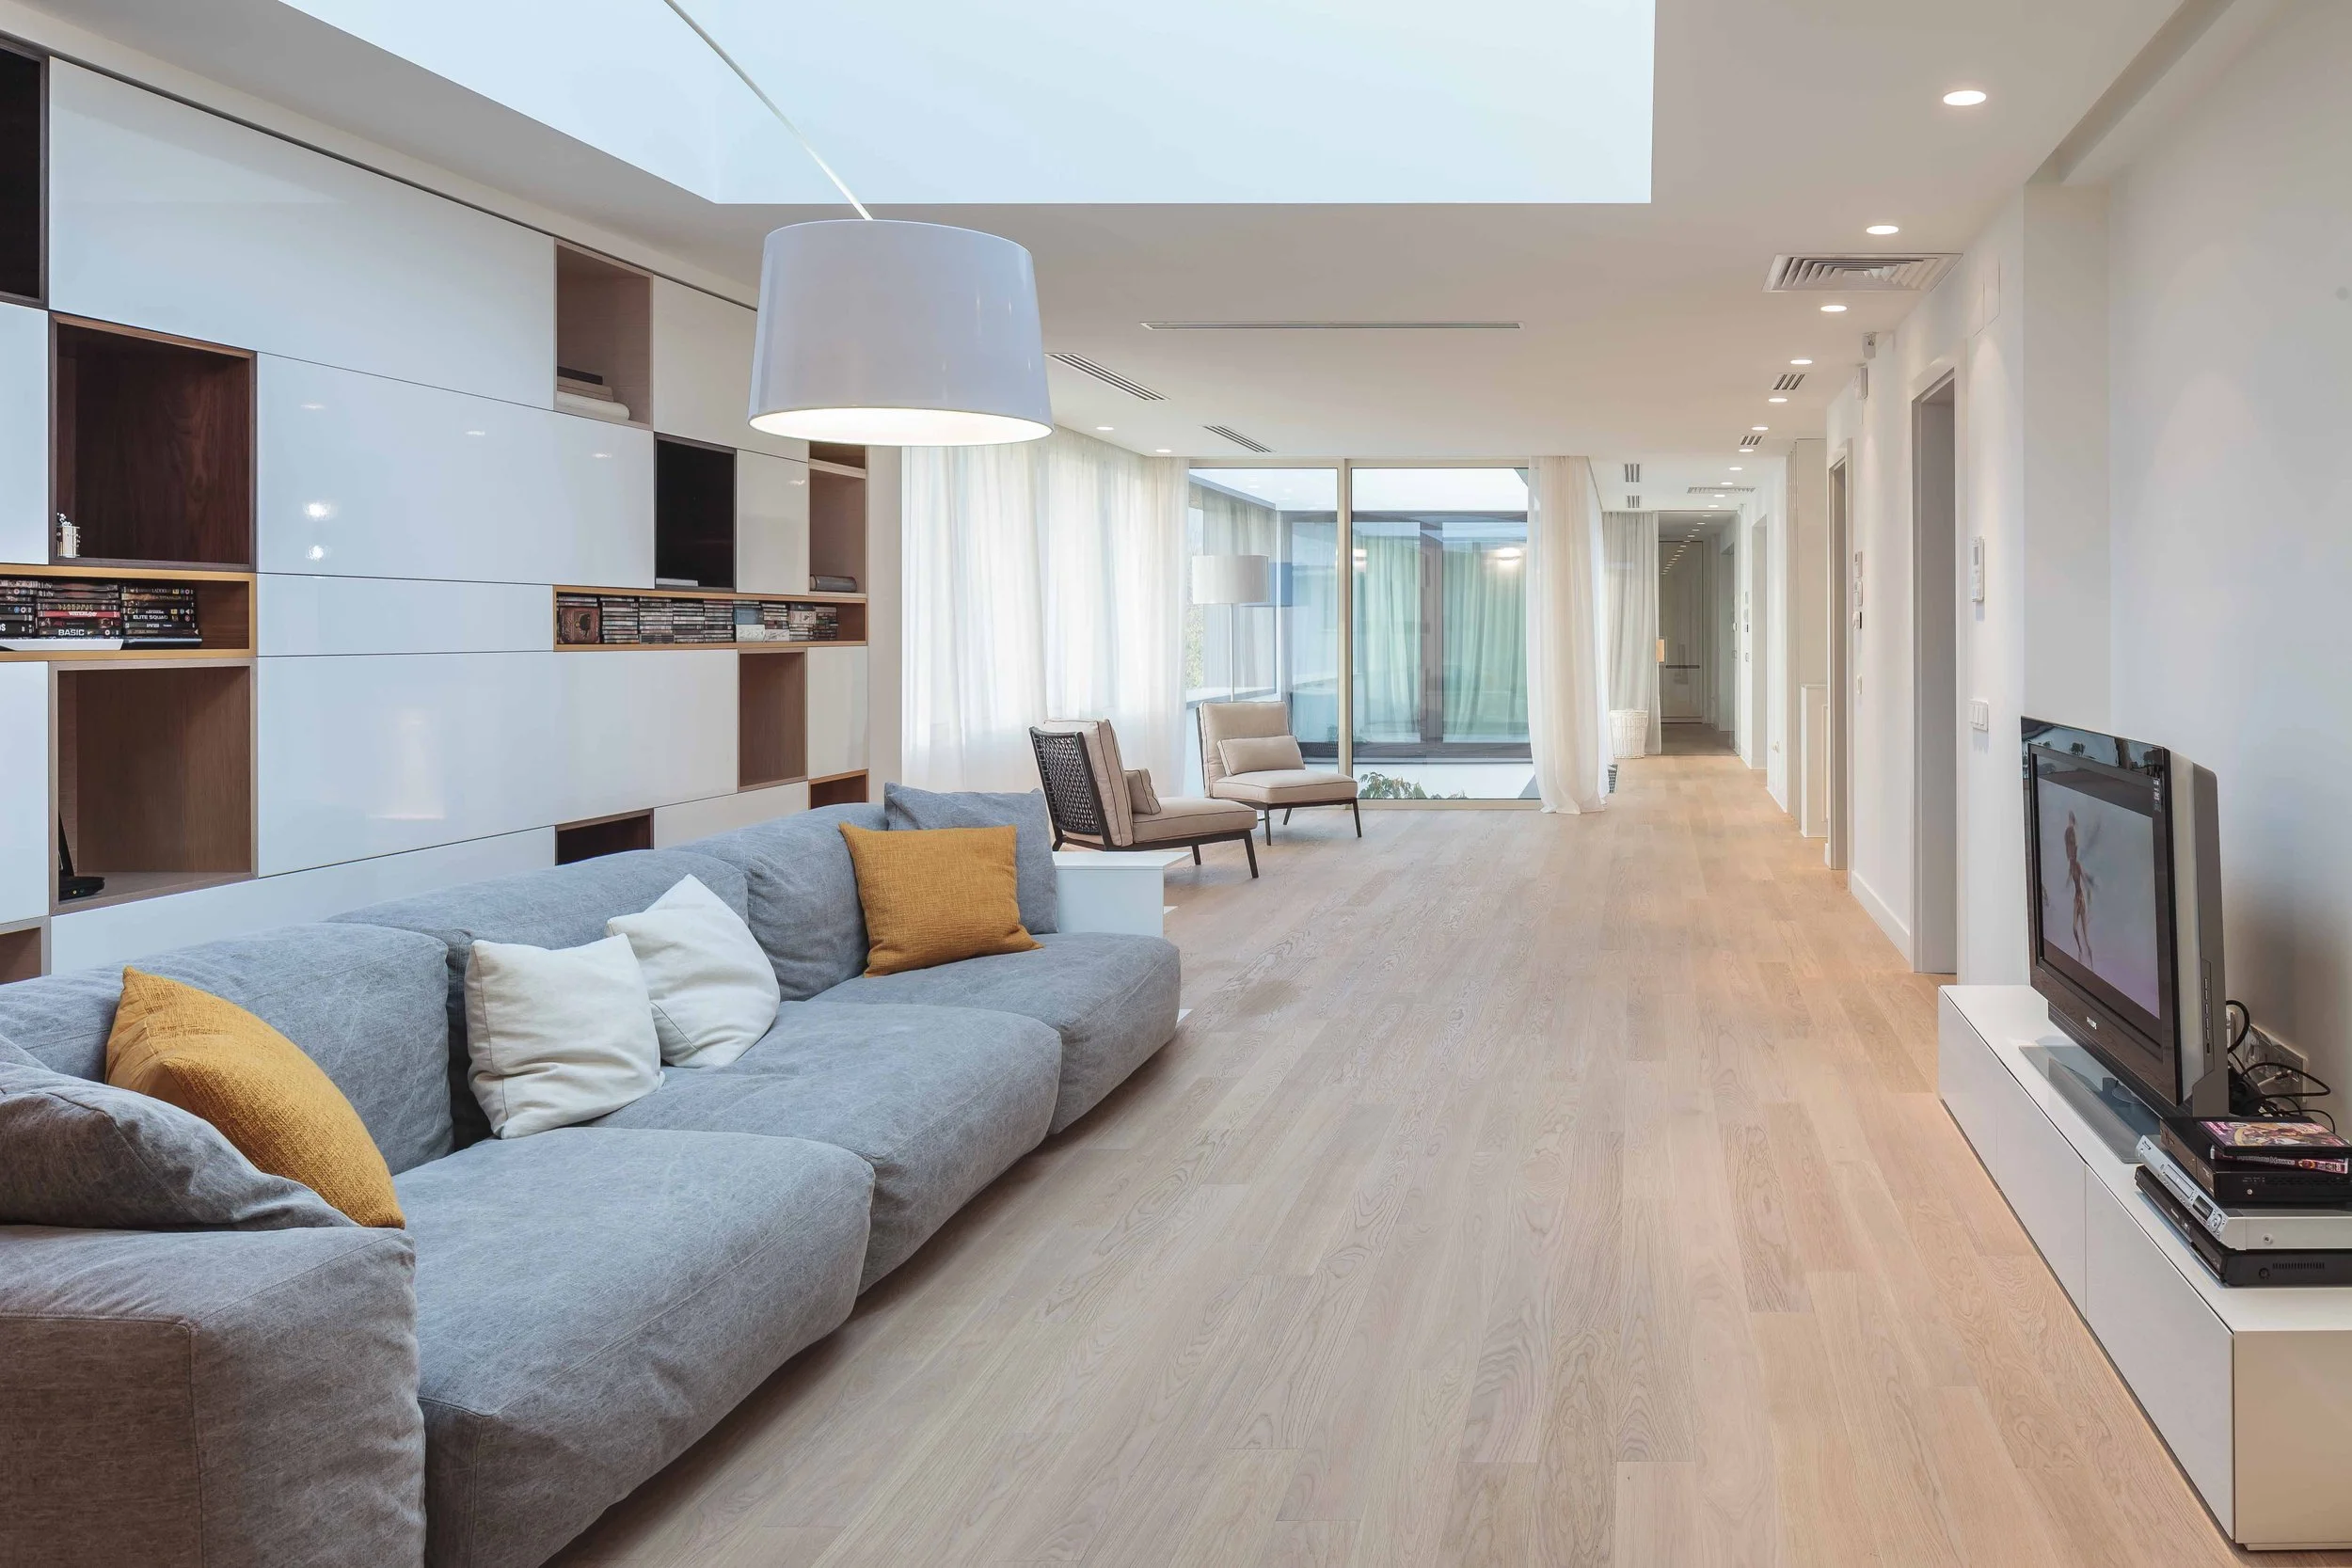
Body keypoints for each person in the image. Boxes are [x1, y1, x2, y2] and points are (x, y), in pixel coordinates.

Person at [2063, 811, 2096, 967]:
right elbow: (2070, 881)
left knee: (2084, 933)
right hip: (2077, 899)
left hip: (2080, 899)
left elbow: (2084, 880)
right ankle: (2081, 952)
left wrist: (2089, 891)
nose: (2070, 852)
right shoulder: (2071, 866)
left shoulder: (2076, 865)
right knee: (2075, 930)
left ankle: (2089, 959)